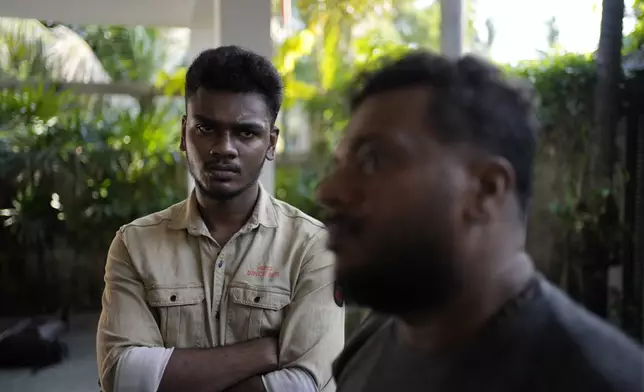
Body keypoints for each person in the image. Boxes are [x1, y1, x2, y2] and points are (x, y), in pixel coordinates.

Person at [317, 51, 644, 392]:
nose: (328, 191)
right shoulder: (375, 339)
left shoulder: (600, 380)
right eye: (340, 163)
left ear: (487, 190)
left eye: (372, 160)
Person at [97, 46, 344, 392]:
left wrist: (168, 376)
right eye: (206, 128)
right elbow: (123, 376)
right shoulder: (135, 244)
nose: (224, 147)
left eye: (246, 133)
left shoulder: (312, 247)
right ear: (184, 133)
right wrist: (266, 351)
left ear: (271, 142)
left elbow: (303, 384)